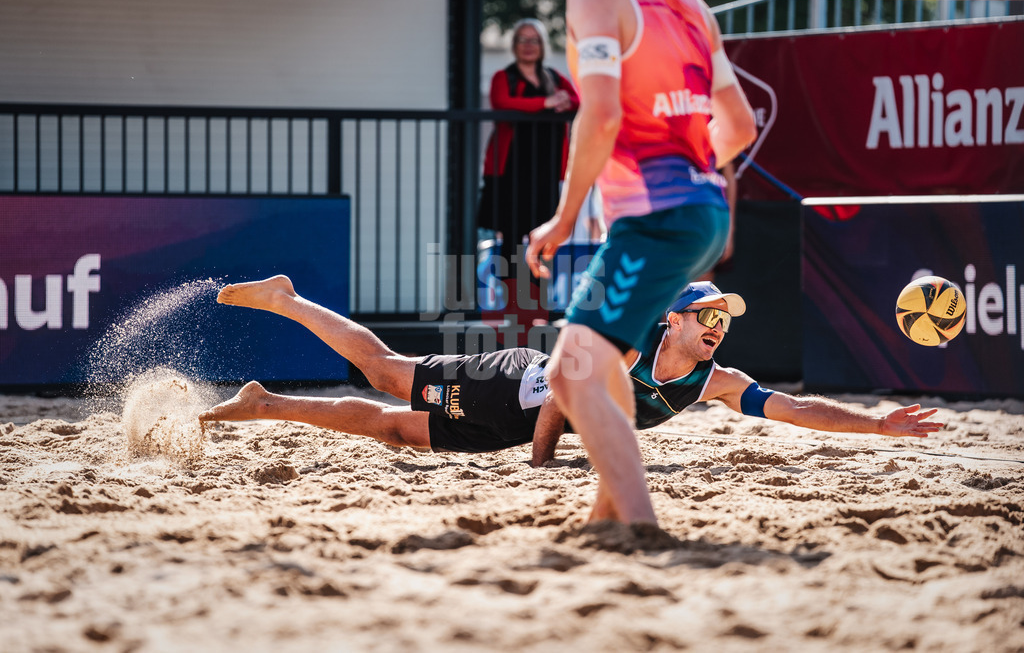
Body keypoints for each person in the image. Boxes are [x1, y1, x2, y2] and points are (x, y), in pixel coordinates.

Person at [199, 278, 943, 500]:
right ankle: (289, 299)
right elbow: (559, 392)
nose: (719, 326)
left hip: (516, 422)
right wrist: (544, 465)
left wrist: (879, 428)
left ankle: (266, 402)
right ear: (674, 319)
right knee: (389, 372)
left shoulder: (716, 381)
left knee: (396, 429)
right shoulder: (623, 350)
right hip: (514, 391)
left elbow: (797, 407)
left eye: (726, 318)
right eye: (707, 316)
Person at [524, 0, 758, 526]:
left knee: (569, 373)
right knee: (601, 368)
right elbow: (741, 126)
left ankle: (637, 522)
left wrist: (563, 218)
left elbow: (601, 116)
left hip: (656, 218)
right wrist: (692, 171)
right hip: (703, 211)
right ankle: (608, 512)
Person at [479, 18, 580, 265]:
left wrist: (565, 101)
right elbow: (502, 102)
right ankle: (510, 299)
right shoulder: (504, 77)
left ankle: (537, 297)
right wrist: (544, 103)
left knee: (544, 233)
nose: (528, 45)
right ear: (514, 45)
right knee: (510, 234)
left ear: (542, 45)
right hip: (511, 170)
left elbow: (578, 99)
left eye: (534, 40)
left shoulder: (553, 78)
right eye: (522, 40)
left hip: (545, 169)